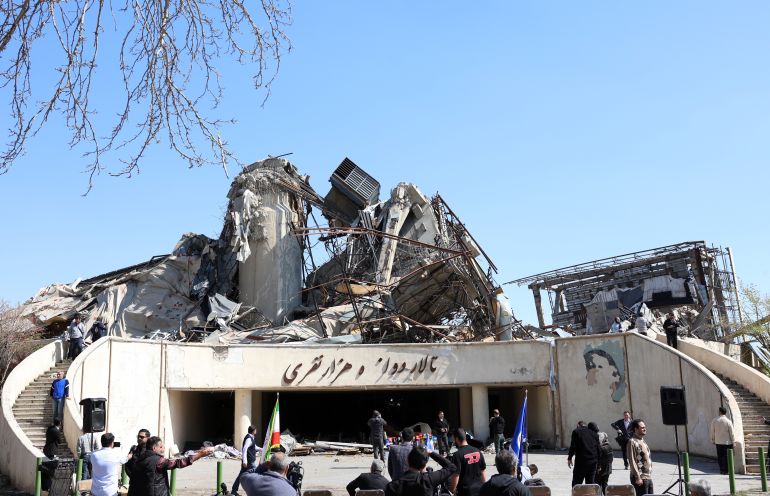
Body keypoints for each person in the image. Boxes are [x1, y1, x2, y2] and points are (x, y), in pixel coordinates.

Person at [131, 436, 214, 496]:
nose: (163, 448)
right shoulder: (158, 461)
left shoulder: (139, 459)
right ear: (154, 448)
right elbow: (179, 463)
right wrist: (200, 455)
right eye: (161, 446)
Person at [384, 446, 456, 496]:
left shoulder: (392, 486)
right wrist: (431, 453)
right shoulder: (428, 480)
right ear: (424, 466)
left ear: (408, 461)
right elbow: (452, 467)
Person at [449, 428, 486, 496]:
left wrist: (452, 490)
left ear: (456, 439)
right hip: (479, 490)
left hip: (465, 491)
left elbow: (456, 475)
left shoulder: (457, 455)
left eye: (454, 440)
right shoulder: (478, 451)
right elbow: (483, 471)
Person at [567, 421, 599, 487]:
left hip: (581, 463)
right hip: (593, 463)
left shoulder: (576, 431)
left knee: (576, 485)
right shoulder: (594, 434)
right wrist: (599, 464)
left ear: (578, 425)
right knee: (590, 485)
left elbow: (573, 446)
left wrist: (569, 458)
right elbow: (599, 449)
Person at [232, 425, 261, 495]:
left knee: (240, 476)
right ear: (254, 431)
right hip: (250, 462)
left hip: (248, 461)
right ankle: (256, 491)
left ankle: (234, 490)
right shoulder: (249, 439)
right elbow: (244, 449)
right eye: (255, 430)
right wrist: (245, 461)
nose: (256, 431)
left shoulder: (251, 438)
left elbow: (255, 447)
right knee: (256, 475)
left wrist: (263, 449)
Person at [627, 419, 653, 496]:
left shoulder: (642, 441)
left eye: (645, 427)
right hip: (641, 478)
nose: (645, 429)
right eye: (642, 427)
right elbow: (632, 461)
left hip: (648, 477)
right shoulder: (632, 441)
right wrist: (637, 477)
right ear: (636, 429)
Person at [709, 407, 735, 475]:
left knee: (720, 457)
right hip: (727, 442)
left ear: (720, 412)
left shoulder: (714, 420)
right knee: (726, 457)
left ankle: (721, 470)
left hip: (718, 442)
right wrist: (733, 441)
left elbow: (712, 431)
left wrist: (712, 440)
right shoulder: (728, 421)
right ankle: (726, 470)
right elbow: (731, 433)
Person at [126, 428, 151, 495]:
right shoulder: (134, 449)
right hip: (133, 485)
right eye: (138, 436)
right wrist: (133, 476)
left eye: (142, 437)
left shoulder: (151, 451)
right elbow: (127, 465)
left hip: (146, 486)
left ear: (148, 438)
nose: (139, 438)